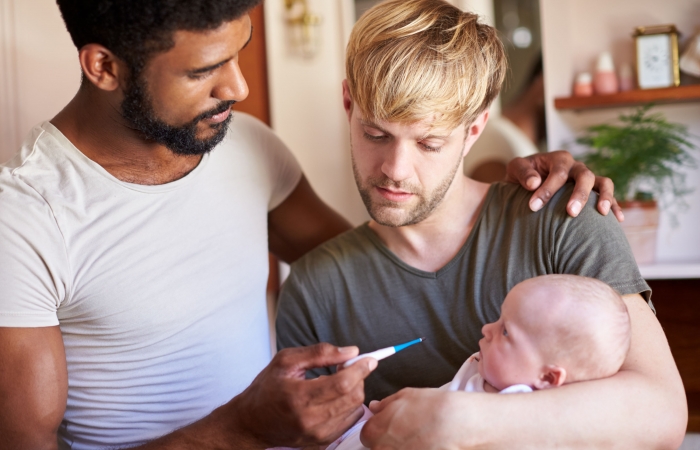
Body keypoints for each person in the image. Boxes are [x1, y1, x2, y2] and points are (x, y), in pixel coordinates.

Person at [0, 0, 624, 448]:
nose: (238, 87)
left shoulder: (244, 145)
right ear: (103, 67)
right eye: (201, 71)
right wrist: (240, 429)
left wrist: (505, 179)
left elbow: (380, 249)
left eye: (238, 55)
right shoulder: (23, 217)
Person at [275, 0, 687, 448]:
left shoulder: (561, 223)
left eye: (429, 143)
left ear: (474, 130)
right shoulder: (314, 288)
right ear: (348, 102)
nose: (395, 168)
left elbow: (662, 413)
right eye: (376, 134)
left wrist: (468, 420)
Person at [308, 274, 632, 450]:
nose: (487, 329)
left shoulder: (518, 419)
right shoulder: (487, 371)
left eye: (506, 331)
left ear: (547, 378)